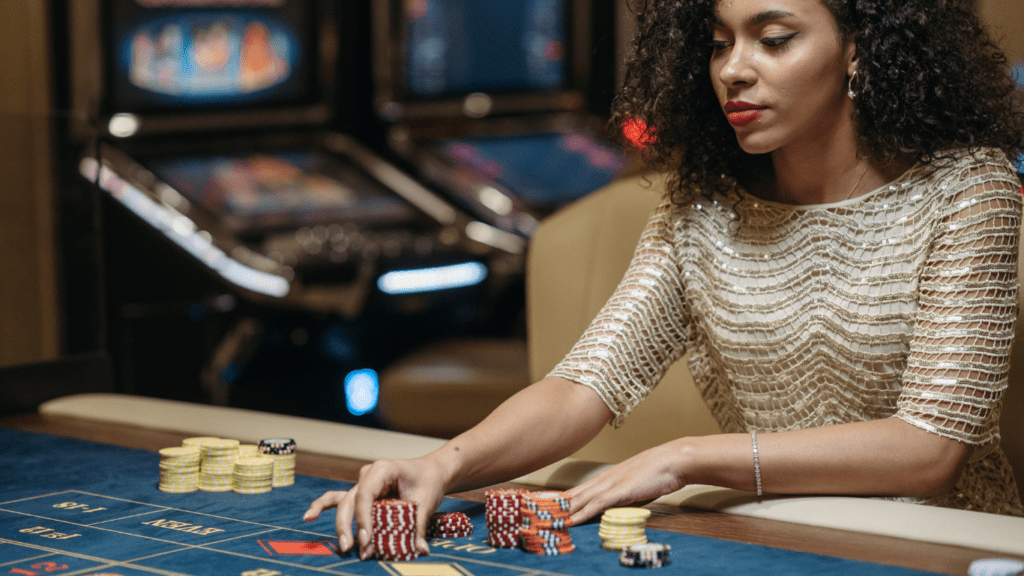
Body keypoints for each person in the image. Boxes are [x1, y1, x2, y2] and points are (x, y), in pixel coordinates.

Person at [305, 0, 1024, 558]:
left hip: (951, 547)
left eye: (774, 39)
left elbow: (929, 448)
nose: (734, 69)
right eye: (719, 42)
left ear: (858, 49)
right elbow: (587, 383)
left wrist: (685, 460)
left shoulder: (968, 189)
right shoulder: (702, 207)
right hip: (782, 533)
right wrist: (445, 463)